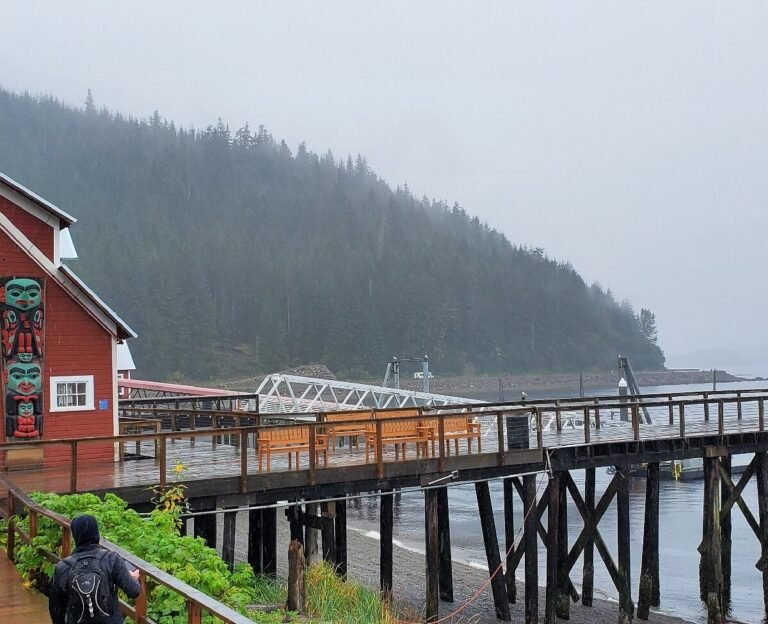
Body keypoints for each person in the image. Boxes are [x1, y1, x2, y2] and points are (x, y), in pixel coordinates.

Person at [49, 514, 141, 624]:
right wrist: (134, 578)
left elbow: (55, 610)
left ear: (75, 536)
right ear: (97, 533)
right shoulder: (111, 559)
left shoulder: (63, 567)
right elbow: (134, 591)